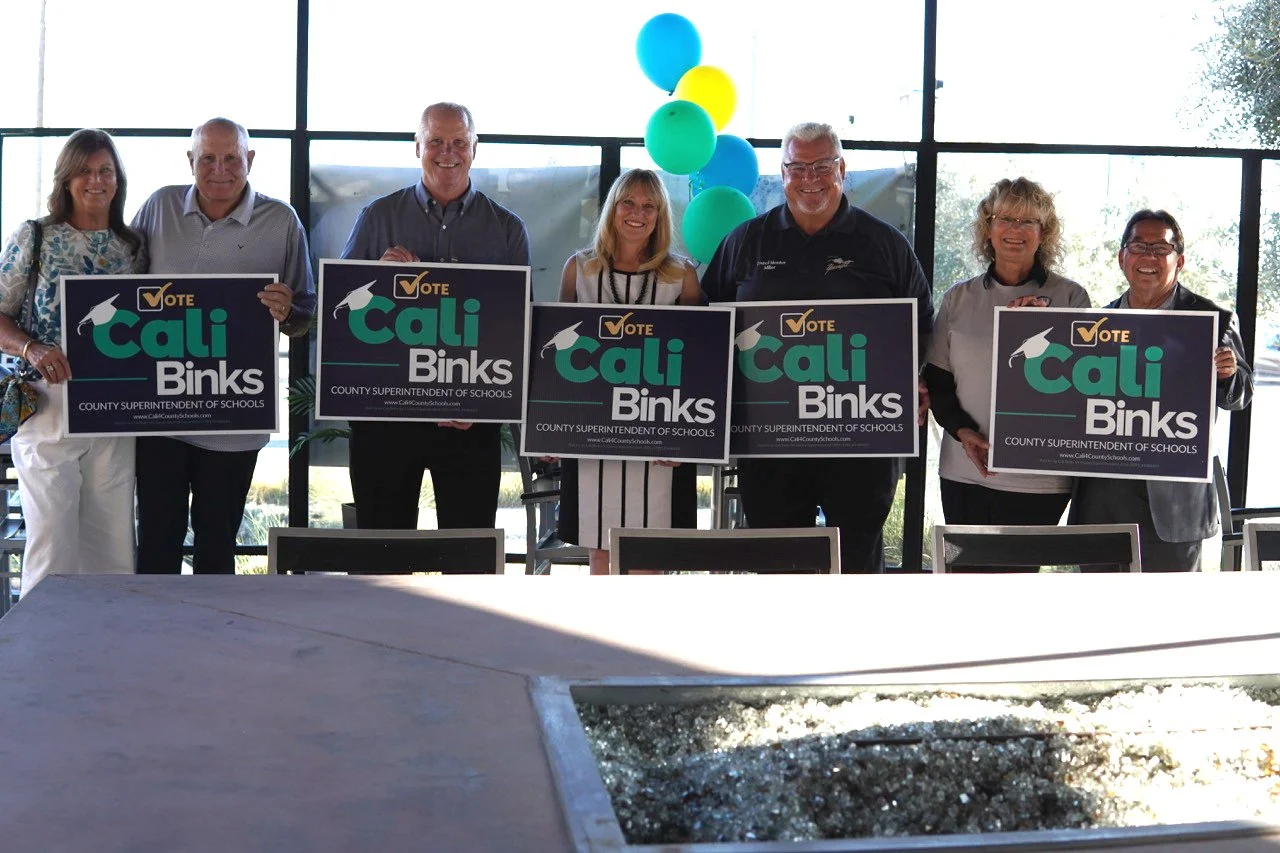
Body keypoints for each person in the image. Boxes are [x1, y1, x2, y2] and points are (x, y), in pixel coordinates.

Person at [701, 122, 934, 573]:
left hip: (862, 443)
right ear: (783, 173)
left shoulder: (885, 244)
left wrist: (912, 379)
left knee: (857, 566)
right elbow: (708, 325)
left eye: (822, 166)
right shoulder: (746, 241)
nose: (810, 178)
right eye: (798, 167)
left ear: (842, 169)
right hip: (769, 444)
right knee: (778, 563)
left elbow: (921, 327)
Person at [131, 118, 316, 574]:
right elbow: (122, 289)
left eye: (231, 158)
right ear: (190, 160)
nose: (220, 169)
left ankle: (214, 626)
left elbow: (306, 315)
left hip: (234, 417)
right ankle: (152, 624)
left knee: (217, 547)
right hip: (160, 413)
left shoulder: (281, 220)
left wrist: (287, 309)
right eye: (207, 158)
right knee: (156, 542)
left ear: (249, 159)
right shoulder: (159, 206)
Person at [340, 102, 530, 530]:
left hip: (469, 422)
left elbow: (518, 329)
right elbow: (340, 315)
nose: (448, 152)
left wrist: (483, 406)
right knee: (384, 554)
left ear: (475, 148)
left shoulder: (507, 229)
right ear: (417, 146)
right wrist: (376, 280)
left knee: (468, 554)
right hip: (386, 420)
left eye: (459, 142)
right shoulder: (377, 217)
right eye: (436, 141)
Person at [0, 129, 145, 593]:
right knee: (51, 547)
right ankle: (41, 640)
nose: (95, 180)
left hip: (114, 409)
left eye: (105, 170)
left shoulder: (134, 247)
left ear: (118, 180)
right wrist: (31, 347)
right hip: (48, 406)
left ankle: (109, 637)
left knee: (112, 550)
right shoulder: (35, 236)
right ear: (66, 179)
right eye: (84, 170)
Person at [1071, 209, 1252, 571]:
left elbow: (1241, 394)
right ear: (1122, 257)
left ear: (1179, 260)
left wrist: (1226, 375)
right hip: (1103, 501)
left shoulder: (1212, 320)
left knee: (1170, 605)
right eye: (1139, 246)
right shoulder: (1096, 324)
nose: (1148, 257)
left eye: (1161, 248)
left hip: (1174, 507)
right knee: (1097, 603)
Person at [924, 178, 1091, 558]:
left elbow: (1083, 384)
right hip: (964, 471)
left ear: (1044, 232)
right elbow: (938, 381)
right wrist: (964, 432)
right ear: (988, 227)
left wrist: (1043, 327)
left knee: (1018, 583)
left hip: (1040, 479)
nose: (1015, 230)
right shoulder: (958, 298)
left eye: (1028, 221)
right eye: (1005, 219)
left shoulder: (1070, 297)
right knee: (964, 578)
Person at [555, 169, 703, 575]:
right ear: (612, 208)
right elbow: (555, 359)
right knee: (599, 553)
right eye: (629, 203)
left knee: (649, 556)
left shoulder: (682, 276)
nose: (638, 213)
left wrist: (686, 440)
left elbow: (697, 365)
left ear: (660, 215)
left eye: (649, 206)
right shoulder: (579, 269)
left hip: (661, 438)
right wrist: (552, 427)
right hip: (592, 433)